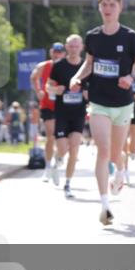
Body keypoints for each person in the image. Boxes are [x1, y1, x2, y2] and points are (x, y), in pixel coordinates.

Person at [69, 0, 135, 225]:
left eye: (112, 5)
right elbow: (89, 64)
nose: (107, 8)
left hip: (124, 104)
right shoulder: (93, 36)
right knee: (103, 151)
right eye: (103, 4)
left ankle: (121, 171)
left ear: (120, 7)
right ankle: (105, 205)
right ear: (99, 7)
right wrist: (77, 77)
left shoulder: (130, 37)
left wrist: (132, 77)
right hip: (99, 102)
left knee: (116, 154)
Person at [47, 34, 87, 198]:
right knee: (63, 148)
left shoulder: (86, 66)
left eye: (76, 46)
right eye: (71, 46)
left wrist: (87, 93)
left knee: (75, 149)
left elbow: (92, 88)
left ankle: (68, 184)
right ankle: (56, 163)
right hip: (62, 113)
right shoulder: (59, 66)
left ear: (82, 47)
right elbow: (48, 85)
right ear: (66, 47)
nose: (73, 49)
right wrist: (56, 90)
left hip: (79, 113)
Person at [31, 42, 66, 180]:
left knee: (63, 137)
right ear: (51, 52)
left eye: (60, 52)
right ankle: (47, 166)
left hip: (64, 105)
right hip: (47, 104)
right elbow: (33, 77)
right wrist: (38, 90)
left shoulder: (67, 66)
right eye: (55, 51)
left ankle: (58, 158)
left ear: (64, 53)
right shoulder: (43, 66)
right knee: (51, 136)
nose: (57, 54)